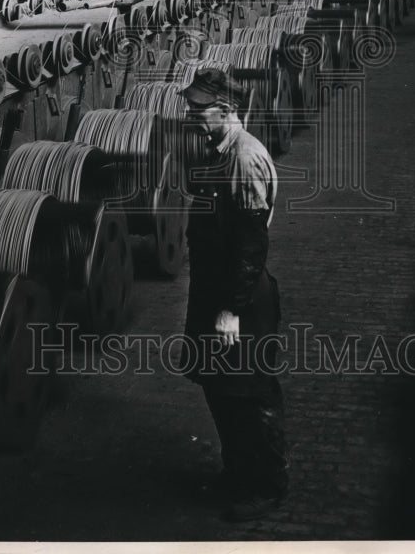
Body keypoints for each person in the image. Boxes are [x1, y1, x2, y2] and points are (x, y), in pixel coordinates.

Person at [180, 66, 288, 522]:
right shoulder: (217, 149)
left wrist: (231, 310)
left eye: (199, 110)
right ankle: (239, 472)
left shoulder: (244, 157)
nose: (192, 117)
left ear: (225, 110)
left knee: (249, 394)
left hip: (239, 298)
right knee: (222, 391)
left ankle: (266, 486)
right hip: (216, 291)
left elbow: (250, 243)